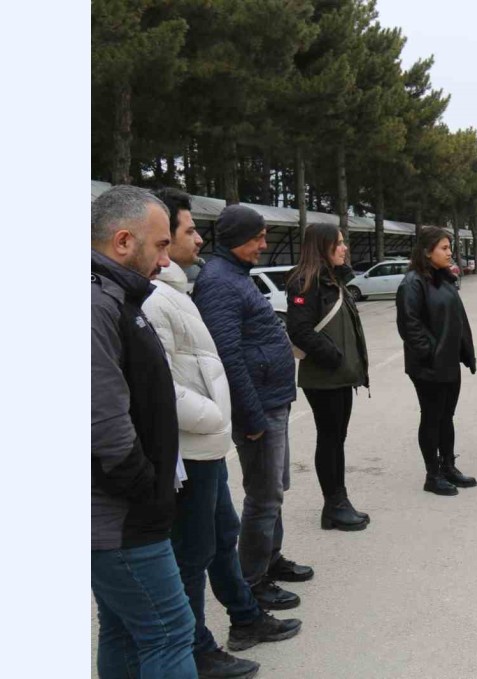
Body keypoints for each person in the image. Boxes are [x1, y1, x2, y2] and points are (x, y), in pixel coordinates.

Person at [143, 189, 301, 678]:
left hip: (208, 439)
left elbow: (205, 360)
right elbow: (181, 376)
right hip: (194, 441)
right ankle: (200, 644)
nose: (199, 240)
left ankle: (245, 614)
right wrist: (233, 416)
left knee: (222, 531)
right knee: (196, 550)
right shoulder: (173, 293)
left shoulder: (185, 286)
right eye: (189, 231)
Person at [91, 185, 196, 678]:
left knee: (125, 630)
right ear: (123, 241)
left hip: (121, 515)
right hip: (121, 518)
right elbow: (104, 425)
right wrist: (148, 492)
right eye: (160, 246)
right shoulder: (96, 305)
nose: (165, 260)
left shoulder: (116, 297)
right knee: (170, 632)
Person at [193, 205, 312, 612]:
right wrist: (250, 416)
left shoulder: (235, 275)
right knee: (263, 496)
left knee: (275, 489)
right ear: (237, 238)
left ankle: (270, 558)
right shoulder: (219, 282)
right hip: (258, 407)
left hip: (271, 400)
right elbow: (227, 355)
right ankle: (253, 581)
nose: (264, 244)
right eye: (258, 237)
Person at [286, 223, 371, 530]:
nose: (345, 248)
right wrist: (333, 356)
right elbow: (299, 330)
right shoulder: (304, 282)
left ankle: (339, 502)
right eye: (339, 243)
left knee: (337, 439)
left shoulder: (333, 279)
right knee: (330, 438)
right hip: (324, 376)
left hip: (340, 375)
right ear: (323, 246)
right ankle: (334, 505)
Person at [397, 227, 477, 496]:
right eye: (444, 248)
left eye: (449, 247)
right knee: (432, 417)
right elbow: (409, 325)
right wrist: (429, 353)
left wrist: (464, 351)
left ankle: (448, 466)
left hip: (449, 362)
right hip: (429, 366)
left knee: (447, 417)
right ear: (426, 252)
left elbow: (457, 318)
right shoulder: (413, 282)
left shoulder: (444, 279)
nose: (449, 252)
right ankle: (432, 475)